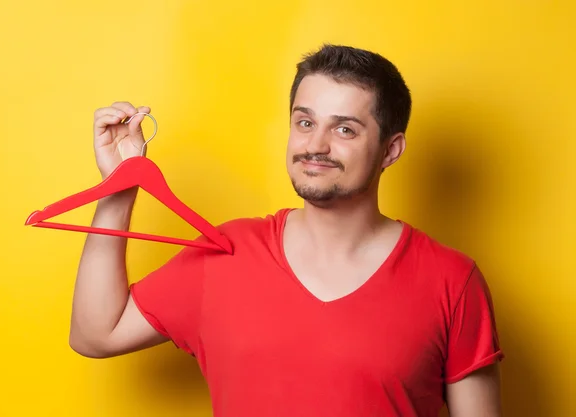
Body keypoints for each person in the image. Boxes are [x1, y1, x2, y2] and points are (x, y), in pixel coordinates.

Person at [69, 44, 504, 416]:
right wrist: (121, 186)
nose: (316, 145)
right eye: (305, 122)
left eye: (345, 129)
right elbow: (95, 333)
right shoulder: (225, 252)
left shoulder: (452, 281)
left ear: (390, 150)